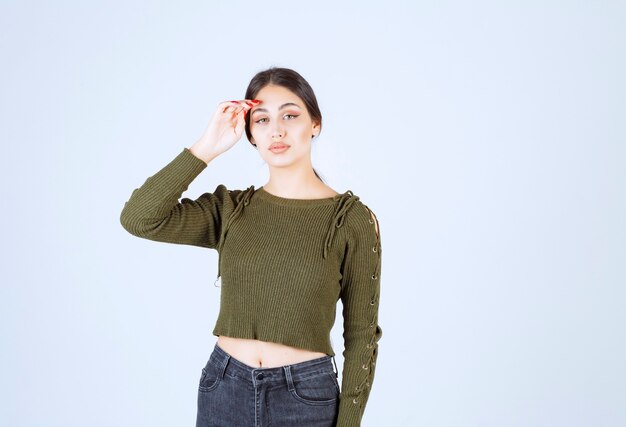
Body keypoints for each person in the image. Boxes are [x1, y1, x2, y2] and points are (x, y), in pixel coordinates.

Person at [120, 67, 382, 426]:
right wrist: (205, 148)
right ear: (250, 134)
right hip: (225, 387)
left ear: (315, 124)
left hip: (304, 397)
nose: (276, 130)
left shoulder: (350, 219)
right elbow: (139, 218)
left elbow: (362, 335)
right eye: (261, 120)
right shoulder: (231, 209)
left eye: (290, 115)